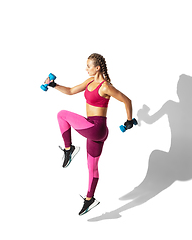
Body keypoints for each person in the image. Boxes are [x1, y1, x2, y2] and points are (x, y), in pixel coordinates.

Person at [44, 53, 135, 215]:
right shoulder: (89, 82)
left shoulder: (105, 86)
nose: (86, 69)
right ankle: (89, 199)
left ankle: (68, 149)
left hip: (96, 127)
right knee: (91, 167)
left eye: (88, 66)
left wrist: (129, 121)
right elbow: (71, 91)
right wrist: (54, 85)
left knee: (62, 114)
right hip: (94, 130)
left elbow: (127, 100)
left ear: (97, 67)